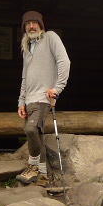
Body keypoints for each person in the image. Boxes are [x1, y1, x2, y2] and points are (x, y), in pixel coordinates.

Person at [16, 10, 70, 187]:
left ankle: (32, 167)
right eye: (28, 24)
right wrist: (21, 101)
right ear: (24, 27)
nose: (31, 26)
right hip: (29, 100)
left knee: (31, 130)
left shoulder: (51, 37)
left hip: (43, 99)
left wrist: (57, 88)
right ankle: (43, 176)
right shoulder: (26, 47)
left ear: (40, 25)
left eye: (34, 23)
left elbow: (64, 62)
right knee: (37, 135)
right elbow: (24, 77)